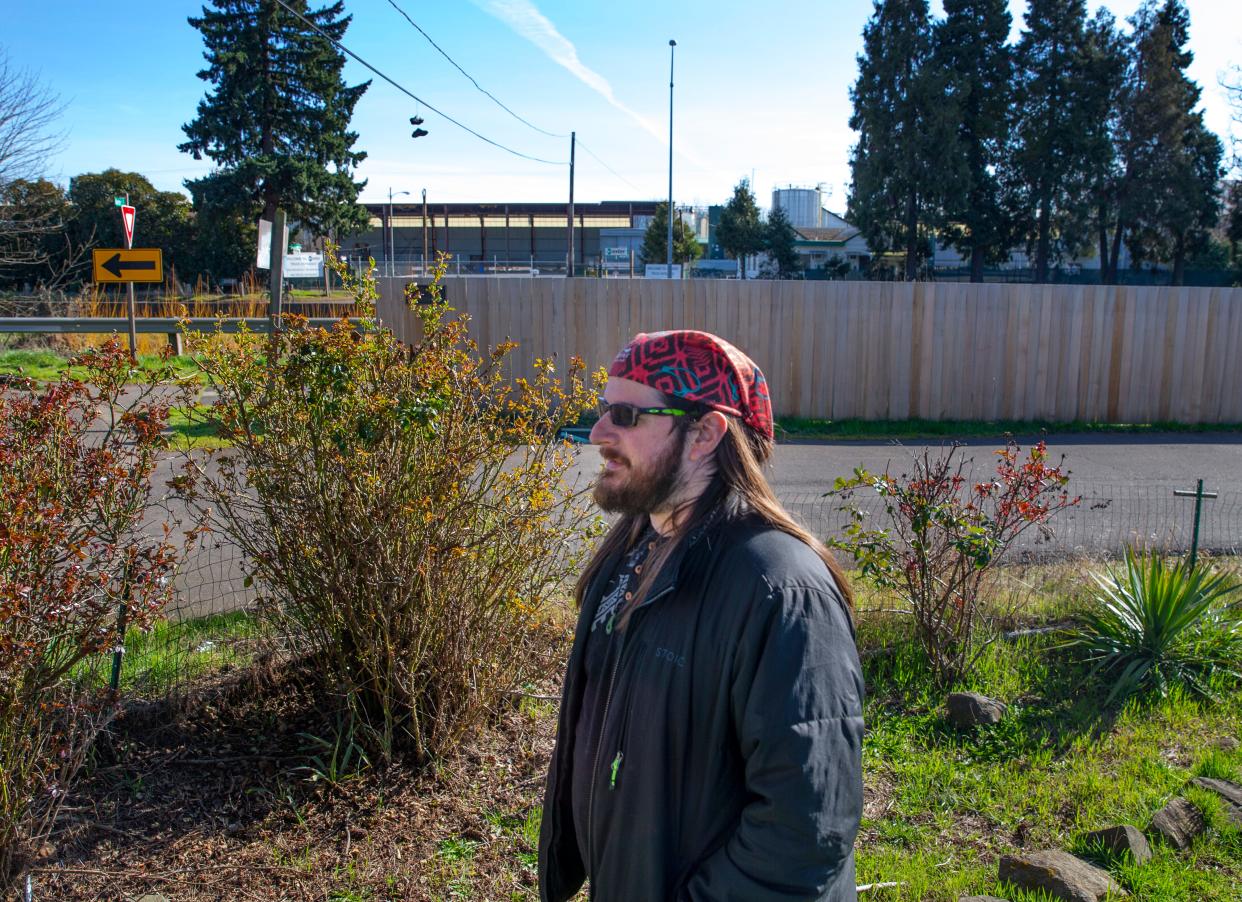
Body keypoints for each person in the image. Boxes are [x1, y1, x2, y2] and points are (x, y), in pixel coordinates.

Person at [539, 330, 864, 901]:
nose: (597, 433)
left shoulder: (782, 591)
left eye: (624, 414)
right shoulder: (632, 548)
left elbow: (803, 833)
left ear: (705, 433)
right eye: (601, 409)